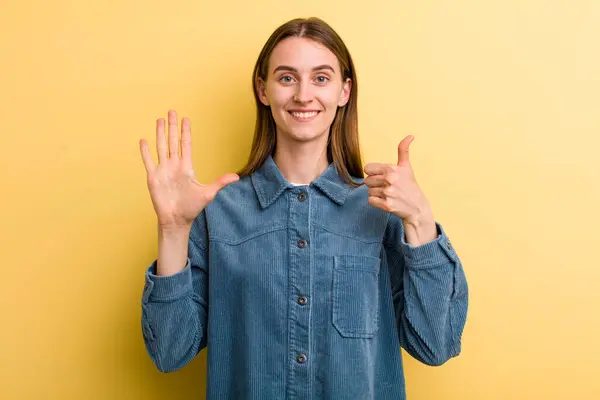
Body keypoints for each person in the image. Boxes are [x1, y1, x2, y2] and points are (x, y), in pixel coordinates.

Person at [139, 17, 468, 400]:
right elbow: (168, 352)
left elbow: (436, 343)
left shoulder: (383, 209)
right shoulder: (217, 212)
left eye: (321, 78)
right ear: (263, 90)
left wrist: (421, 220)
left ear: (344, 91)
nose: (303, 95)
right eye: (287, 78)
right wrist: (173, 230)